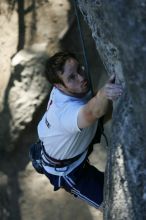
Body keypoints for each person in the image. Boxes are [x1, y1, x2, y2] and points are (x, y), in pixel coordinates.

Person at [37, 51, 123, 210]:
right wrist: (104, 93)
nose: (81, 77)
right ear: (58, 86)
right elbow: (92, 112)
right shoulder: (64, 112)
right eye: (72, 77)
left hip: (71, 146)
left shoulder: (72, 87)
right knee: (112, 206)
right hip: (68, 171)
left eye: (80, 69)